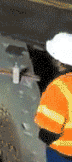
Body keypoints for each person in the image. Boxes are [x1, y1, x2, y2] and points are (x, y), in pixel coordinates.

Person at [37, 32, 72, 161]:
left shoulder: (59, 88)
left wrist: (42, 135)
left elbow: (49, 131)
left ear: (59, 61)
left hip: (63, 154)